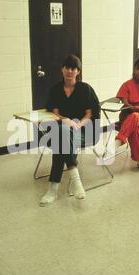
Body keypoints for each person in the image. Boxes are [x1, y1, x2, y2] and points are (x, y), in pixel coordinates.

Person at [40, 54, 100, 207]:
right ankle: (76, 181)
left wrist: (79, 124)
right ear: (62, 69)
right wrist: (64, 120)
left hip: (84, 131)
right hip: (63, 130)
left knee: (61, 137)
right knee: (63, 132)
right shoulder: (56, 89)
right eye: (67, 67)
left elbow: (90, 113)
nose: (69, 71)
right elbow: (54, 111)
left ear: (78, 71)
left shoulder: (85, 89)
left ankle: (52, 189)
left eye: (73, 68)